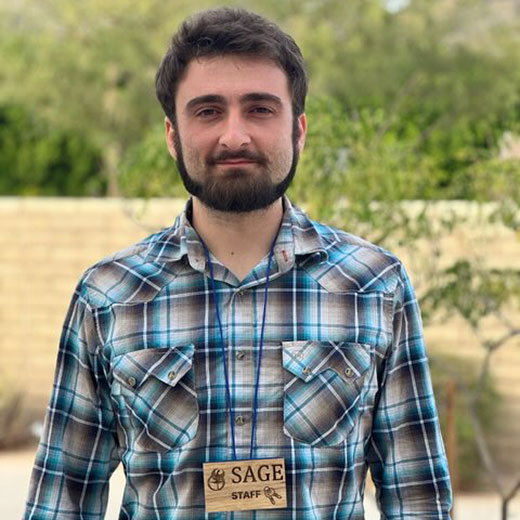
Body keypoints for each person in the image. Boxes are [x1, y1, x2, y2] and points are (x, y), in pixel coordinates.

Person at [24, 7, 452, 519]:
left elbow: (418, 499)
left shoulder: (375, 286)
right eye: (207, 111)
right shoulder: (108, 297)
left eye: (260, 109)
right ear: (171, 135)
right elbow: (61, 501)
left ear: (299, 131)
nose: (234, 136)